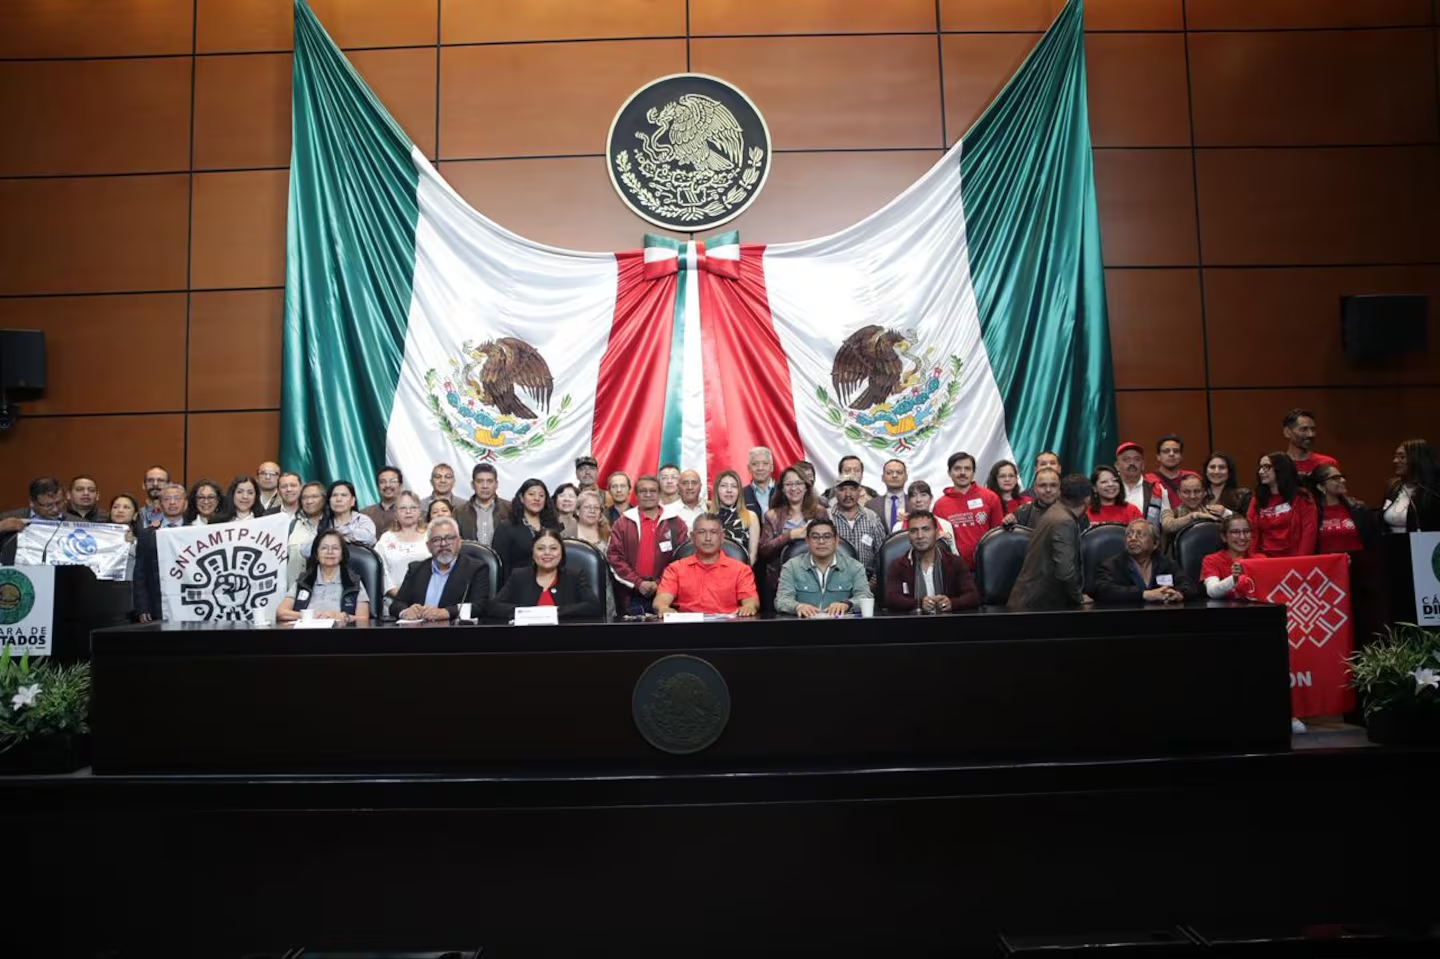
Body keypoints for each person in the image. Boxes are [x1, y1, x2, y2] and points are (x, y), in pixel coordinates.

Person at [1007, 473, 1093, 611]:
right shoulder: (1064, 521)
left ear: (1061, 492)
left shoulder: (1056, 511)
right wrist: (1078, 597)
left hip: (1031, 601)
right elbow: (1065, 571)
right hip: (1036, 606)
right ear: (1087, 499)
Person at [608, 475, 689, 615]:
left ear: (659, 493)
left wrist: (659, 583)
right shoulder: (623, 522)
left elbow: (681, 559)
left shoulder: (676, 522)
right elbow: (614, 557)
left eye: (652, 491)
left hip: (668, 594)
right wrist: (638, 583)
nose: (648, 494)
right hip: (631, 594)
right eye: (643, 491)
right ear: (636, 495)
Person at [653, 513, 758, 617]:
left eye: (713, 532)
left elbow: (751, 601)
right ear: (692, 537)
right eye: (702, 532)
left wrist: (748, 607)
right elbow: (661, 601)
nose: (708, 538)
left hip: (727, 628)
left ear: (722, 537)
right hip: (687, 628)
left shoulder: (741, 569)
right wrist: (663, 608)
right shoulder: (675, 569)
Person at [392, 517, 491, 622]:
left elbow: (479, 606)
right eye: (436, 540)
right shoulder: (416, 569)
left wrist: (446, 612)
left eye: (449, 538)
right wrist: (406, 611)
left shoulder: (476, 568)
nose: (443, 544)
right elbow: (397, 604)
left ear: (459, 542)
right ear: (428, 546)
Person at [490, 528, 601, 621]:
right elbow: (494, 607)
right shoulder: (519, 576)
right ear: (533, 552)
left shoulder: (575, 576)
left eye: (553, 548)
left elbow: (594, 606)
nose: (547, 553)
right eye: (541, 548)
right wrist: (528, 612)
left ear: (561, 552)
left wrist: (554, 612)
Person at [883, 510, 979, 614]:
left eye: (926, 529)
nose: (920, 536)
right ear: (909, 536)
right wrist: (918, 604)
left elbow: (973, 596)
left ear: (937, 533)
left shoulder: (955, 562)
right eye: (914, 531)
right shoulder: (898, 565)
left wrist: (952, 603)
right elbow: (891, 599)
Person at [776, 517, 873, 617]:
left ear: (836, 540)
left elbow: (865, 596)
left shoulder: (855, 567)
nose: (821, 541)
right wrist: (797, 606)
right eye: (815, 537)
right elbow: (782, 600)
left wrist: (847, 604)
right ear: (807, 541)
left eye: (827, 537)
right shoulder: (791, 567)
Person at [758, 467, 827, 604]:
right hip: (780, 581)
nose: (794, 488)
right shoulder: (772, 516)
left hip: (817, 579)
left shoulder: (820, 513)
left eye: (798, 483)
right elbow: (764, 551)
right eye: (789, 484)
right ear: (782, 489)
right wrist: (789, 535)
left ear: (806, 487)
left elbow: (831, 544)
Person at [277, 529, 370, 624]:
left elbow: (364, 619)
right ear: (316, 554)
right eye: (324, 548)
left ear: (342, 554)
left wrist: (344, 617)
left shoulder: (353, 582)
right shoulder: (304, 580)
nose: (330, 552)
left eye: (335, 548)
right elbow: (281, 612)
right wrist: (308, 616)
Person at [1093, 519, 1193, 604]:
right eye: (1129, 535)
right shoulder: (1112, 565)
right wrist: (1144, 594)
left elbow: (1189, 587)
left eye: (1140, 535)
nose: (1132, 539)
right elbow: (1101, 590)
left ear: (1155, 544)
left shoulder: (1166, 563)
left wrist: (1179, 594)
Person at [933, 451, 1003, 567]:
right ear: (949, 473)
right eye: (957, 469)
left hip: (988, 566)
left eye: (967, 469)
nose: (962, 473)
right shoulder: (940, 505)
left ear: (974, 472)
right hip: (955, 570)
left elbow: (998, 535)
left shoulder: (990, 497)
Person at [132, 483, 188, 623]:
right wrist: (142, 607)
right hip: (156, 604)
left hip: (189, 601)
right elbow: (140, 574)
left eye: (177, 498)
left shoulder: (195, 532)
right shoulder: (147, 534)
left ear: (185, 503)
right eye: (167, 499)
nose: (172, 502)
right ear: (160, 505)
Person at [493, 478, 562, 589]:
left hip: (551, 585)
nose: (536, 498)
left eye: (541, 495)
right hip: (518, 587)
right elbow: (502, 566)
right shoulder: (507, 527)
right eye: (531, 494)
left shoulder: (553, 526)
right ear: (521, 498)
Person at [1247, 452, 1317, 557]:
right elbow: (1251, 532)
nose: (1261, 471)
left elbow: (1309, 532)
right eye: (1260, 467)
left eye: (1267, 467)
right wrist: (1253, 557)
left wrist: (1301, 561)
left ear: (1281, 469)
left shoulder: (1302, 497)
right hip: (1263, 559)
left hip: (1294, 558)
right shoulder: (1257, 499)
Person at [374, 490, 430, 616]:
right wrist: (398, 594)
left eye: (413, 508)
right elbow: (380, 570)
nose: (408, 512)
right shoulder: (386, 539)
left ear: (420, 511)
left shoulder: (431, 536)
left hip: (429, 603)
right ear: (396, 513)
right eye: (403, 508)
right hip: (394, 604)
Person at [1308, 464, 1379, 554]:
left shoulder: (1358, 509)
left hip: (1358, 563)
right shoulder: (1312, 513)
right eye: (1335, 478)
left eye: (1342, 477)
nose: (1343, 480)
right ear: (1320, 487)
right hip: (1325, 565)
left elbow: (1372, 544)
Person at [828, 478, 887, 583]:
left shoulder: (872, 517)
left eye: (852, 489)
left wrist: (874, 580)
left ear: (859, 491)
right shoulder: (827, 517)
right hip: (833, 582)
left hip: (867, 582)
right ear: (835, 492)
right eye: (842, 489)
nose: (848, 494)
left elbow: (881, 553)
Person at [1382, 438, 1440, 533]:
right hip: (1393, 544)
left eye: (1402, 457)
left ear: (1418, 459)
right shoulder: (1393, 486)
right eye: (1396, 456)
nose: (1395, 461)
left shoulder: (1433, 490)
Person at [1160, 473, 1227, 551]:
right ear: (1179, 494)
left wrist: (1225, 512)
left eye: (1197, 491)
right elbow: (1168, 526)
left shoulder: (1213, 512)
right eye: (1186, 492)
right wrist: (1193, 516)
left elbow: (1235, 524)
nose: (1192, 496)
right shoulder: (1171, 512)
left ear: (1204, 492)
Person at [1200, 514, 1257, 600]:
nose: (1242, 537)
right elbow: (1212, 591)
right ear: (1224, 537)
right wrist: (1234, 578)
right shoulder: (1211, 560)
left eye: (1246, 531)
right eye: (1235, 532)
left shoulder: (1260, 559)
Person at [710, 468, 759, 564]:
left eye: (734, 486)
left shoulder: (751, 517)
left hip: (741, 574)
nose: (729, 490)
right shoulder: (708, 517)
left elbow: (753, 555)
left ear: (739, 491)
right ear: (717, 490)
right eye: (724, 486)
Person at [892, 480, 956, 548]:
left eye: (923, 495)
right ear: (909, 500)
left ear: (931, 498)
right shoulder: (898, 527)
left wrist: (950, 542)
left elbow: (954, 554)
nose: (918, 500)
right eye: (914, 495)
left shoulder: (945, 525)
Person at [1116, 441, 1166, 527]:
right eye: (1126, 459)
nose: (1132, 463)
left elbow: (1165, 522)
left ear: (1143, 465)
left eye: (1137, 459)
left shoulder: (1156, 489)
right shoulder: (1109, 489)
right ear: (1117, 465)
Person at [287, 482, 327, 586]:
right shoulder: (291, 526)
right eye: (304, 497)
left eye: (314, 496)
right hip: (294, 590)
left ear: (324, 498)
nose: (309, 501)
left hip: (325, 591)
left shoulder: (333, 525)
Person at [317, 480, 377, 547]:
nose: (338, 499)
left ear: (352, 501)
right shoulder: (323, 523)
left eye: (344, 495)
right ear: (329, 501)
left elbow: (370, 538)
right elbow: (306, 550)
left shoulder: (361, 519)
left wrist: (338, 533)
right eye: (334, 495)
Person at [461, 463, 509, 545]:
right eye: (480, 481)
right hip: (470, 557)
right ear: (473, 485)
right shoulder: (460, 512)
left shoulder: (509, 509)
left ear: (496, 484)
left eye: (489, 481)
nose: (485, 486)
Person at [1283, 408, 1339, 476]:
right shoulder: (1276, 465)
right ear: (1287, 432)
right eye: (1304, 429)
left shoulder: (1327, 463)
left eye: (1313, 429)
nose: (1311, 434)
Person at [1147, 434, 1199, 506]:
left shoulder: (1193, 477)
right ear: (1158, 456)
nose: (1171, 454)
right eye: (1166, 451)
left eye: (1176, 451)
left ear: (1181, 456)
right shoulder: (1148, 480)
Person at [107, 493, 141, 580]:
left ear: (135, 515)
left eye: (126, 507)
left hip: (131, 587)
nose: (120, 510)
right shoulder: (101, 538)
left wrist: (132, 543)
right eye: (116, 507)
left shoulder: (143, 539)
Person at [867, 459, 909, 528]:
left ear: (906, 477)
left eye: (899, 472)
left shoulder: (915, 503)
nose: (894, 476)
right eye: (889, 473)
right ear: (882, 478)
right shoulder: (871, 505)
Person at [361, 466, 403, 533]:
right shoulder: (365, 514)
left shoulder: (410, 513)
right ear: (377, 486)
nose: (388, 485)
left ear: (401, 486)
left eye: (392, 481)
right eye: (382, 482)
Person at [743, 446, 777, 518]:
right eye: (755, 464)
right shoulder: (741, 494)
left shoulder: (784, 491)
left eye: (765, 463)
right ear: (749, 468)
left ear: (772, 468)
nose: (760, 468)